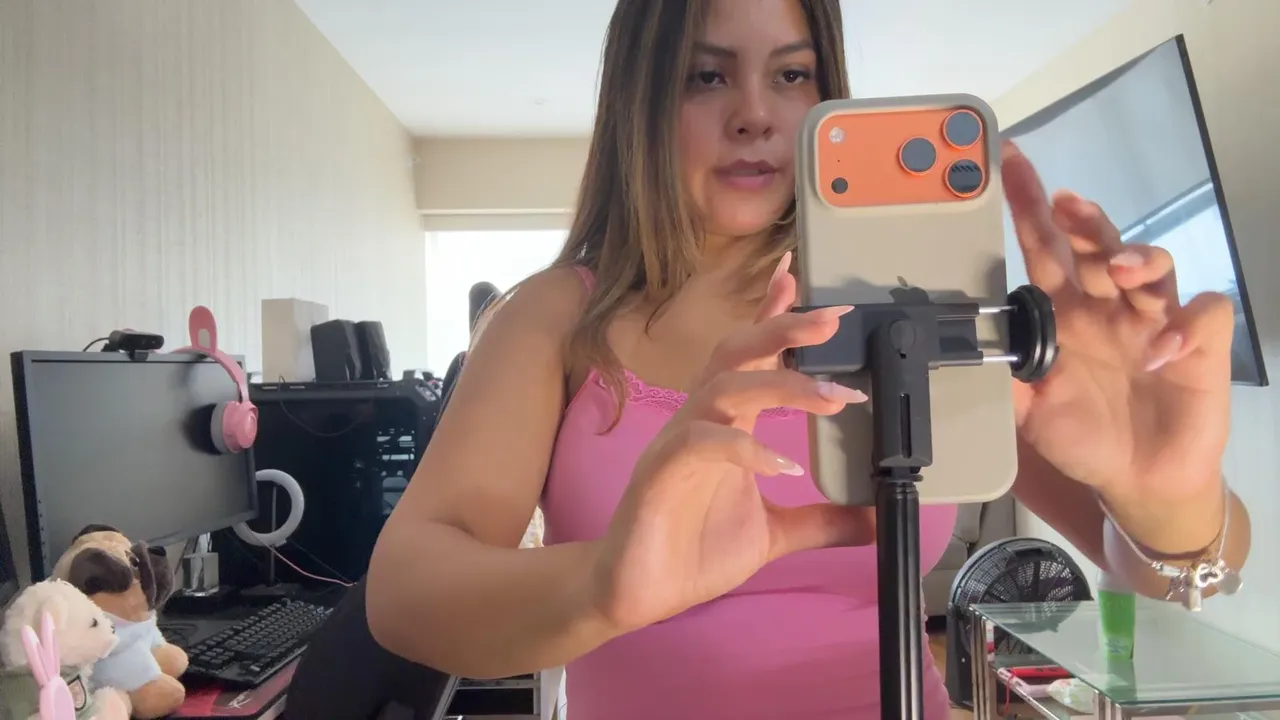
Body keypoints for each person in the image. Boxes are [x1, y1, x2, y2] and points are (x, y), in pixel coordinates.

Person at [367, 0, 1252, 717]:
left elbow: (1157, 566)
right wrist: (604, 585)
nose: (755, 114)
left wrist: (1167, 496)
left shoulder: (918, 309)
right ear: (641, 101)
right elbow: (405, 594)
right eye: (706, 75)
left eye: (792, 74)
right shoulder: (555, 317)